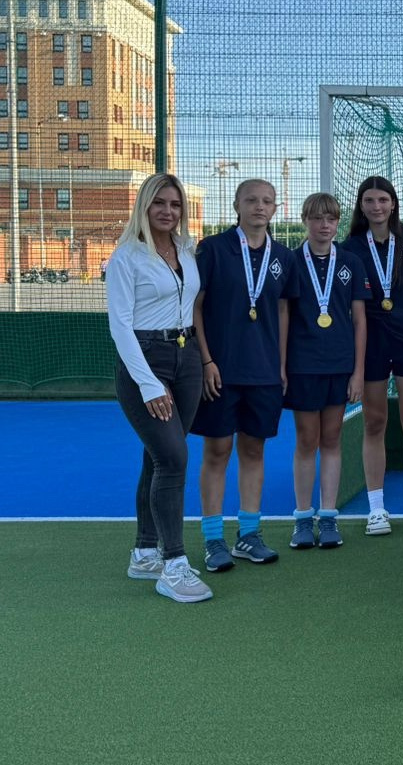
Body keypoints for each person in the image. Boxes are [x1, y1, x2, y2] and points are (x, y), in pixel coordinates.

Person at [108, 172, 212, 603]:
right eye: (159, 203)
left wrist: (201, 360)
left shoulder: (187, 250)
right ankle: (174, 565)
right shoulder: (126, 257)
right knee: (173, 458)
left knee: (159, 457)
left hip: (186, 357)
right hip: (146, 361)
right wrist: (148, 384)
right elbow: (120, 327)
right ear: (144, 207)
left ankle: (144, 552)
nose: (168, 211)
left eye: (175, 204)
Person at [191, 177, 293, 571]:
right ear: (237, 205)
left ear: (275, 208)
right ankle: (213, 539)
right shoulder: (213, 249)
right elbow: (195, 306)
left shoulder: (283, 256)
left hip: (264, 373)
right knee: (217, 451)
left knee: (254, 451)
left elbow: (282, 311)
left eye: (267, 201)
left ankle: (249, 534)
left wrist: (280, 365)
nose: (259, 206)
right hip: (221, 371)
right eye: (251, 199)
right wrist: (206, 360)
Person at [340, 175, 403, 537]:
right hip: (372, 342)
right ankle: (376, 509)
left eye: (383, 200)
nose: (377, 207)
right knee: (374, 422)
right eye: (369, 200)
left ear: (393, 203)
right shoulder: (350, 247)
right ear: (361, 206)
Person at [285, 193, 371, 550]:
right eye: (317, 218)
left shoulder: (350, 261)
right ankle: (303, 519)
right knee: (307, 440)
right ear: (305, 220)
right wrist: (282, 367)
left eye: (331, 219)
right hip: (302, 366)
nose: (324, 225)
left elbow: (360, 321)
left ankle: (329, 515)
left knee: (332, 438)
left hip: (339, 365)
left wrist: (358, 372)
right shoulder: (290, 261)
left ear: (338, 223)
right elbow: (283, 317)